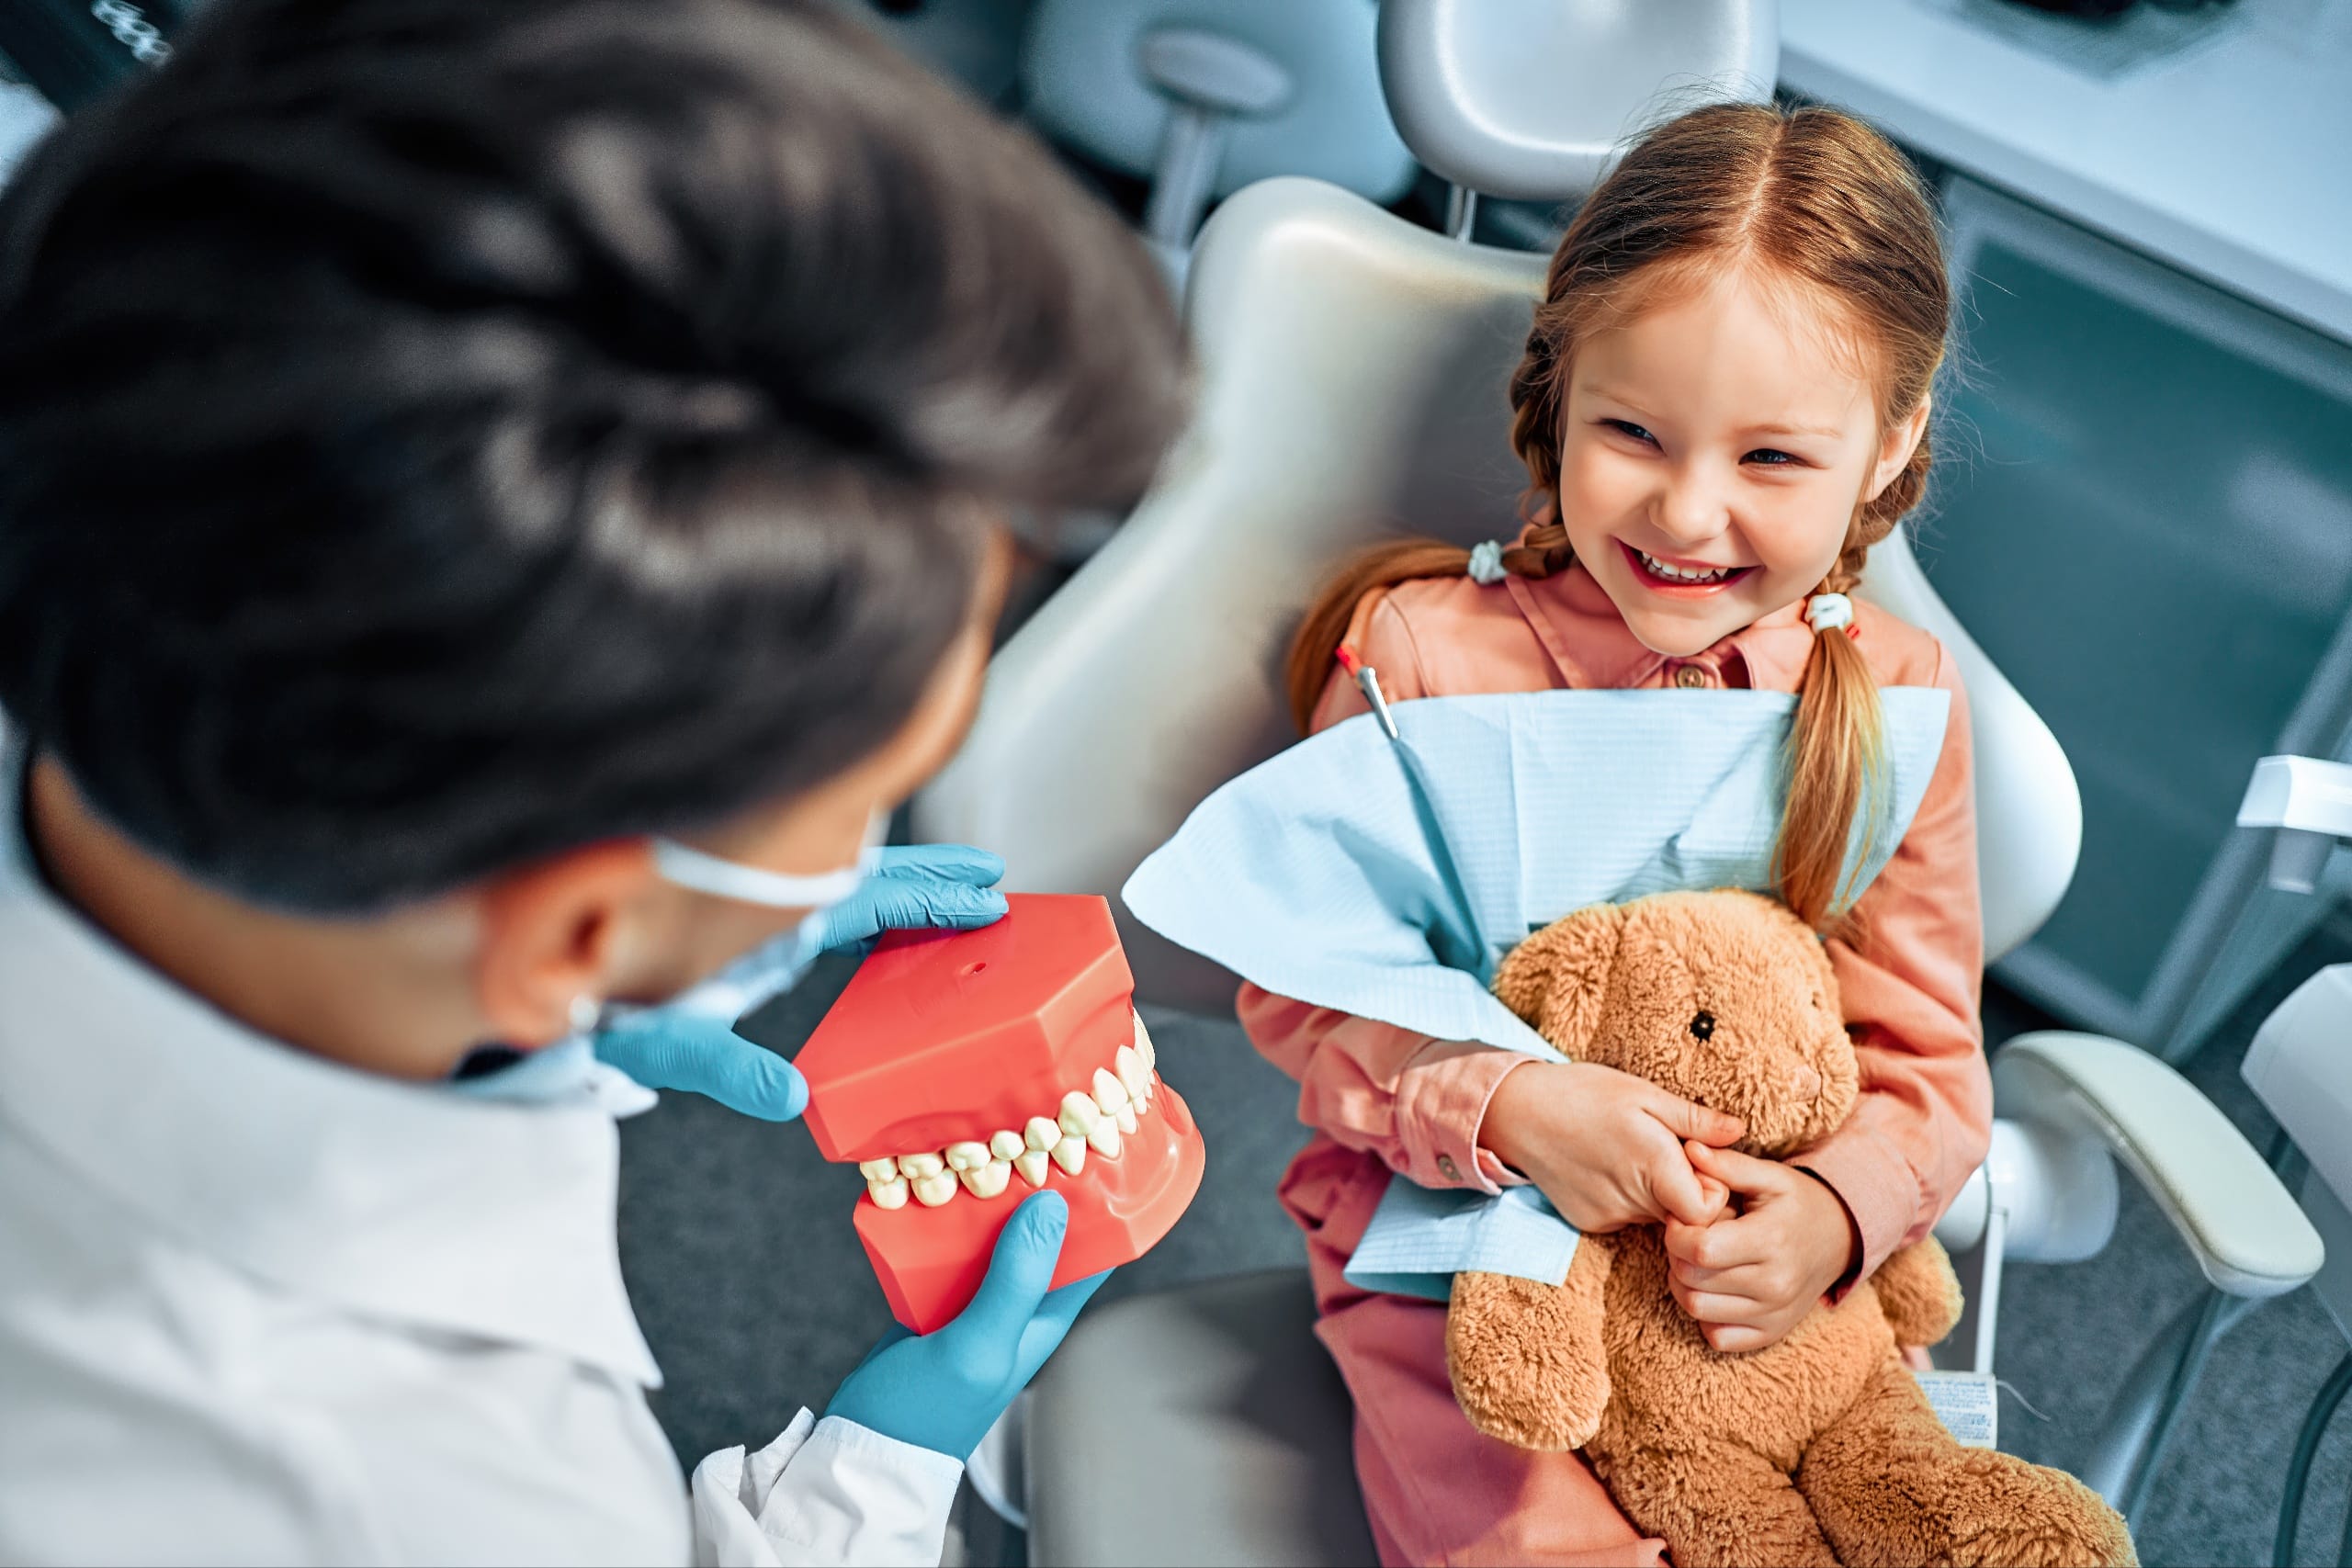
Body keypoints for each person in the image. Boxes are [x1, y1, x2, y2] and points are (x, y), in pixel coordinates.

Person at [0, 1, 1186, 1562]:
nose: (860, 847)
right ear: (569, 932)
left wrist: (583, 1012)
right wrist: (868, 1489)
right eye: (875, 787)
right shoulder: (425, 1496)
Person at [1248, 102, 1988, 1568]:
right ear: (1559, 388)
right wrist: (1509, 1109)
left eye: (1773, 459)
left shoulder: (1895, 700)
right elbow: (1307, 994)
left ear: (1890, 441)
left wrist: (1835, 1220)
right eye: (1632, 432)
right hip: (1452, 1266)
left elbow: (1928, 1060)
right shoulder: (1417, 658)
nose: (1690, 510)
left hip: (1750, 1280)